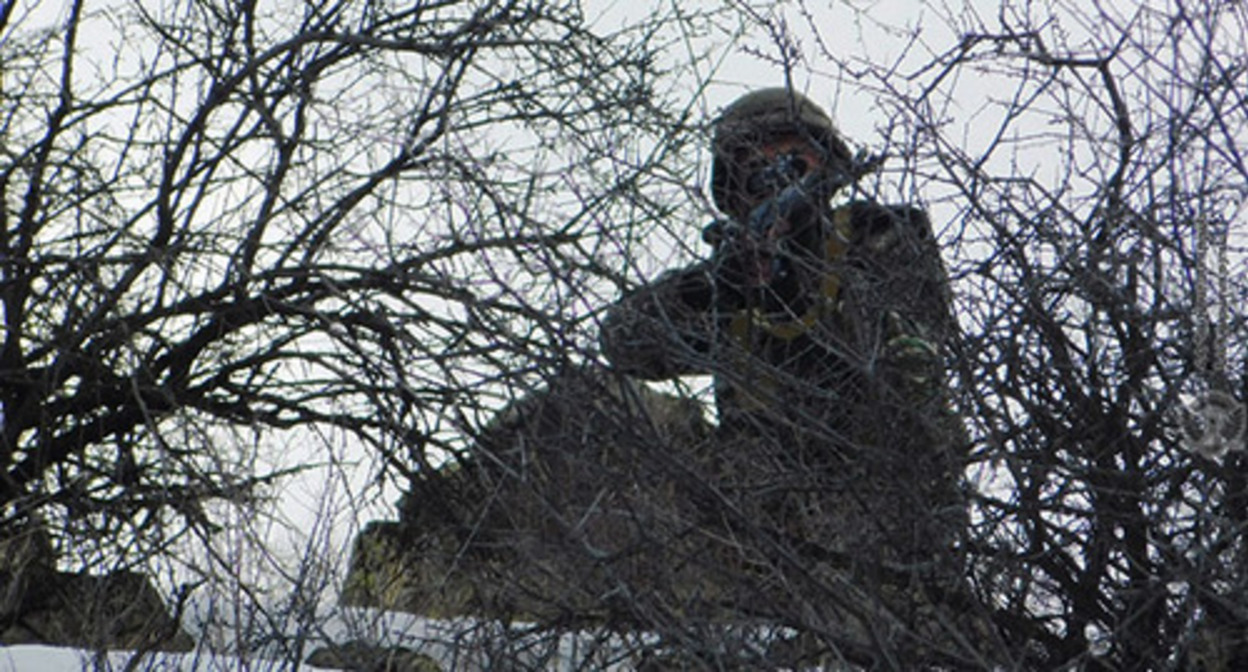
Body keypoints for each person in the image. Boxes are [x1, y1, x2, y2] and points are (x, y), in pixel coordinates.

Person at [600, 87, 967, 587]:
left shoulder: (879, 235)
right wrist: (720, 288)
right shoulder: (730, 276)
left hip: (888, 516)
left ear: (825, 162)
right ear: (735, 187)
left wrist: (801, 261)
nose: (774, 173)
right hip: (765, 534)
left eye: (793, 159)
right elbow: (624, 343)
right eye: (755, 164)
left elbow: (914, 334)